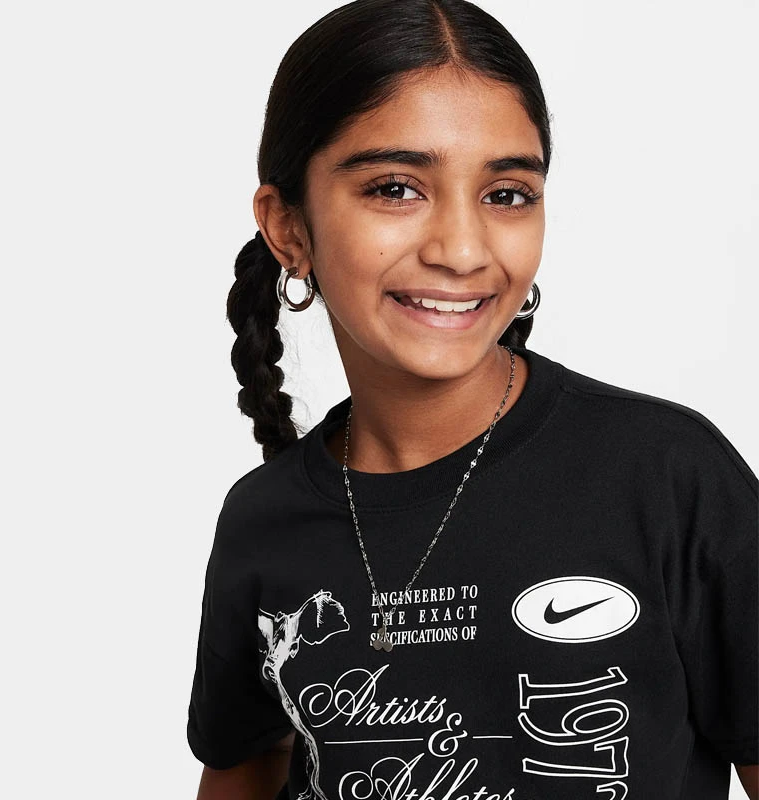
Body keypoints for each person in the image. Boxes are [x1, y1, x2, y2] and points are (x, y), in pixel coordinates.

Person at [186, 1, 758, 798]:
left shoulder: (667, 479)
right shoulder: (262, 520)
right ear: (288, 228)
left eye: (507, 194)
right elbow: (246, 772)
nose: (461, 250)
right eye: (396, 188)